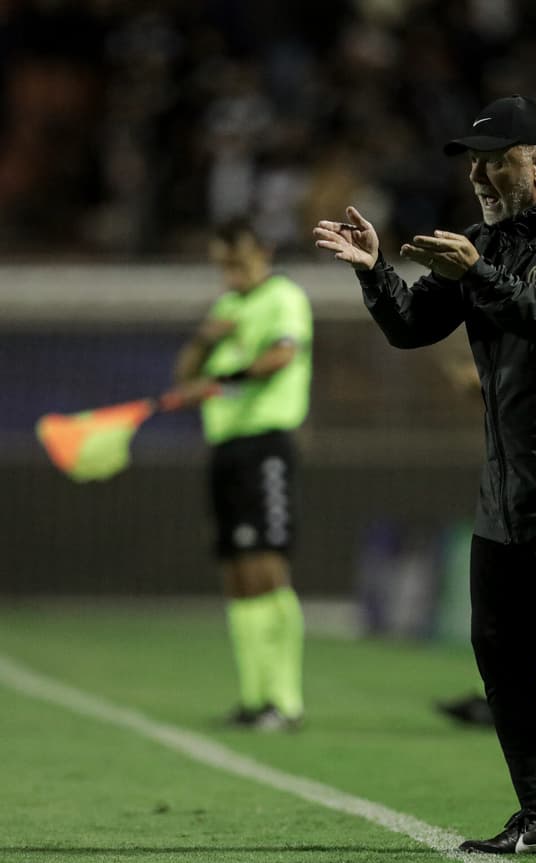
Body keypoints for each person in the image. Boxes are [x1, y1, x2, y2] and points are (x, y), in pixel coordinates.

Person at [314, 95, 536, 856]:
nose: (478, 174)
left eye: (493, 160)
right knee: (500, 654)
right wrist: (376, 273)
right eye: (473, 161)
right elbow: (411, 328)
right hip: (509, 486)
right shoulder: (477, 241)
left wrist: (480, 272)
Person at [169, 217, 312, 730]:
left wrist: (222, 375)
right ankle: (254, 698)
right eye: (223, 264)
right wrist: (204, 342)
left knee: (265, 565)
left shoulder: (283, 298)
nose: (231, 272)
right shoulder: (226, 308)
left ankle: (285, 700)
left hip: (265, 444)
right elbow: (184, 377)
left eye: (238, 261)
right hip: (225, 447)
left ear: (264, 253)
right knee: (234, 570)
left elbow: (281, 356)